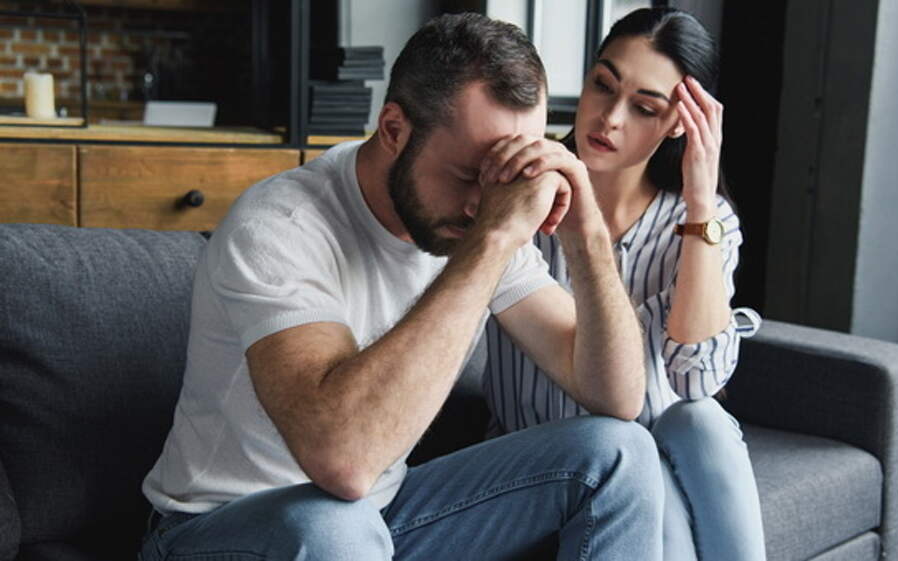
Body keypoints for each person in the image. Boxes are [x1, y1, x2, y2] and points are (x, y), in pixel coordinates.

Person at [138, 12, 667, 561]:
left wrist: (588, 236)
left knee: (619, 452)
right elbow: (344, 462)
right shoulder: (281, 226)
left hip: (376, 520)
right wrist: (491, 241)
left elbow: (618, 395)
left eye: (505, 177)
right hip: (216, 530)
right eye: (469, 176)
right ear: (393, 129)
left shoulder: (477, 219)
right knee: (333, 526)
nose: (483, 203)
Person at [481, 7, 767, 560]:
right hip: (544, 465)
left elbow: (697, 380)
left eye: (644, 108)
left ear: (680, 123)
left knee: (701, 422)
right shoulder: (522, 198)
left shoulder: (703, 223)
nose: (610, 118)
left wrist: (700, 203)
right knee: (641, 468)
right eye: (603, 86)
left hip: (658, 454)